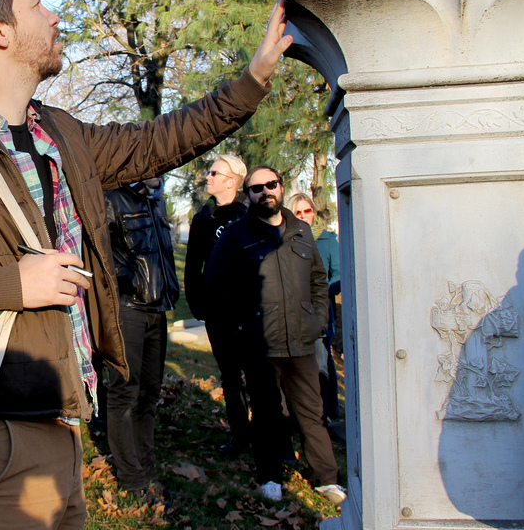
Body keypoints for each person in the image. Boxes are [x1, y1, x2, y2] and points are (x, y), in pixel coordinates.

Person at [0, 0, 291, 529]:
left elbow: (159, 141)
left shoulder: (60, 131)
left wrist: (253, 78)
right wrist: (13, 284)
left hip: (61, 415)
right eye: (37, 4)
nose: (55, 17)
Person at [205, 167, 346, 505]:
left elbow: (317, 279)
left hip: (300, 341)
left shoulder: (300, 231)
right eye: (256, 188)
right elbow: (215, 283)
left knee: (311, 413)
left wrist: (318, 322)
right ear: (248, 195)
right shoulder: (237, 235)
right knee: (267, 415)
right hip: (259, 345)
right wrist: (240, 326)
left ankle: (327, 479)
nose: (265, 192)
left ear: (281, 189)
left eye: (271, 185)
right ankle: (270, 477)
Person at [103, 178, 179, 500]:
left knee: (149, 394)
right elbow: (97, 251)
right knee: (125, 394)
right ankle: (131, 480)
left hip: (157, 308)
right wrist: (128, 280)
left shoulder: (157, 199)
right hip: (127, 309)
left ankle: (149, 473)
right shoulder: (112, 197)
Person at [183, 154, 250, 455]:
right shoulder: (204, 216)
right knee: (230, 375)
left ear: (232, 181)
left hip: (251, 308)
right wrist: (198, 303)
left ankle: (270, 437)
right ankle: (239, 437)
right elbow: (192, 264)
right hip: (218, 310)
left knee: (260, 372)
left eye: (214, 172)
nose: (207, 176)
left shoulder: (249, 213)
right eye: (208, 172)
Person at [285, 192, 341, 421]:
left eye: (308, 210)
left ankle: (326, 413)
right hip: (291, 311)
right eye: (298, 212)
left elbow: (338, 274)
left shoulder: (327, 240)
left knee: (322, 363)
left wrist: (320, 292)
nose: (304, 216)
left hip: (319, 311)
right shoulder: (286, 238)